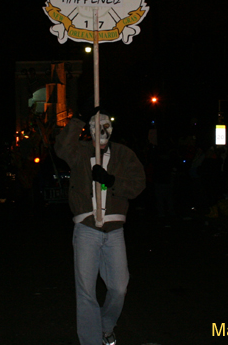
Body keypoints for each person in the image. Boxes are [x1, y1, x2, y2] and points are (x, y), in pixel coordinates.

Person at [55, 108, 146, 345]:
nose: (102, 130)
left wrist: (111, 181)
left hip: (114, 231)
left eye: (106, 125)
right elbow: (61, 148)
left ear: (112, 129)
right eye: (96, 126)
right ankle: (91, 341)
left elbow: (138, 184)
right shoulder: (80, 151)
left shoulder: (124, 154)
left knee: (119, 287)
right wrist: (78, 119)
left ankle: (105, 326)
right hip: (86, 229)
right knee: (86, 291)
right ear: (90, 130)